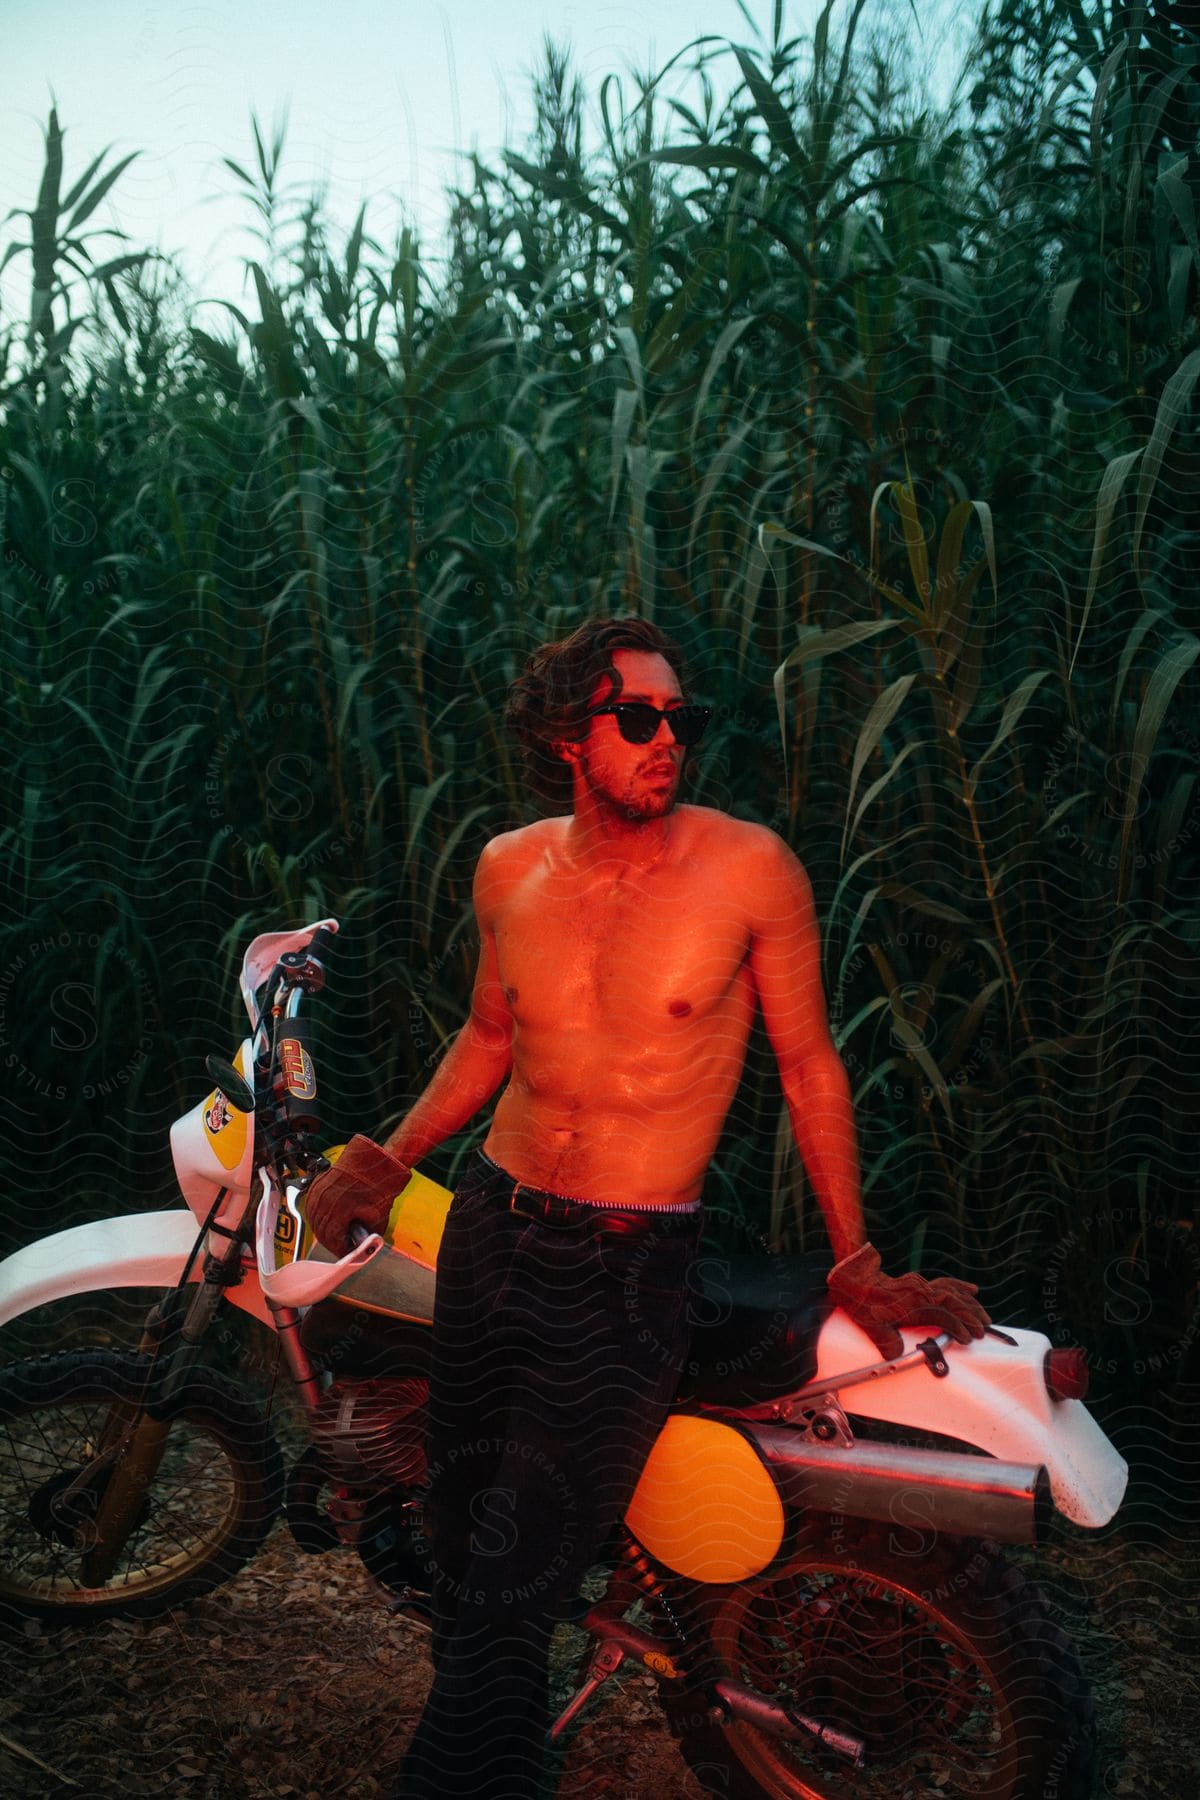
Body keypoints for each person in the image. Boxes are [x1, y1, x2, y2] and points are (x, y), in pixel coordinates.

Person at [304, 616, 990, 1799]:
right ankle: (506, 1754)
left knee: (521, 1561)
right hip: (491, 1225)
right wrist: (388, 1156)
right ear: (571, 737)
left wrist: (857, 1256)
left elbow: (812, 1068)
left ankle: (454, 1777)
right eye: (638, 718)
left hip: (625, 1262)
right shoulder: (508, 865)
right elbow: (489, 1036)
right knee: (469, 1537)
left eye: (683, 719)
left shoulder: (747, 869)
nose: (667, 740)